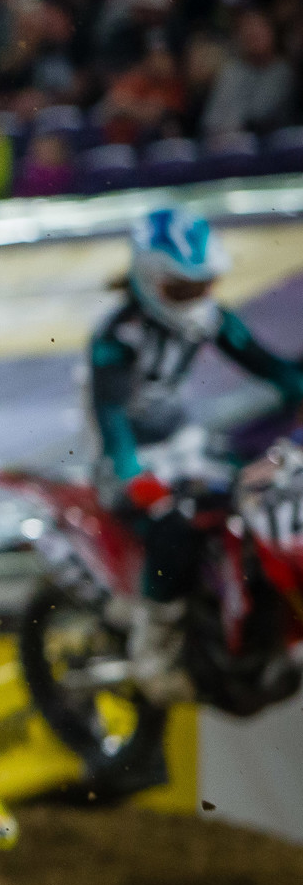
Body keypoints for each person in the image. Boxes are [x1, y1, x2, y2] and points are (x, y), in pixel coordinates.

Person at [88, 206, 303, 701]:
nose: (197, 299)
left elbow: (270, 366)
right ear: (150, 280)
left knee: (263, 492)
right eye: (184, 288)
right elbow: (111, 417)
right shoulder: (115, 339)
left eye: (203, 286)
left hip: (192, 448)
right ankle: (154, 650)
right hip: (130, 462)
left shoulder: (210, 318)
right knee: (174, 528)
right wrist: (133, 476)